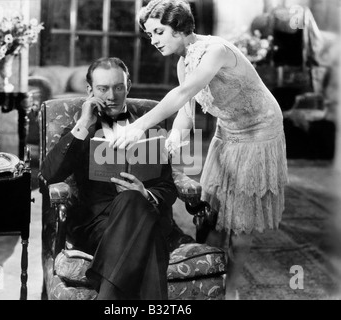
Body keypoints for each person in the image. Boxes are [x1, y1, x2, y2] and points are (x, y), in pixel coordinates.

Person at [111, 0, 289, 300]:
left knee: (242, 222)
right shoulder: (184, 62)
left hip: (260, 131)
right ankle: (211, 281)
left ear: (179, 27)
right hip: (228, 129)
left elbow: (182, 93)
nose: (153, 40)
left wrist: (138, 126)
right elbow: (186, 111)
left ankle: (231, 291)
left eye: (158, 31)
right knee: (212, 214)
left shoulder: (215, 51)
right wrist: (173, 140)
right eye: (149, 33)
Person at [40, 57, 178, 300]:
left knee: (133, 200)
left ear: (128, 87)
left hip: (142, 214)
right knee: (150, 237)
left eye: (118, 87)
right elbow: (50, 174)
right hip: (97, 223)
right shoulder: (81, 128)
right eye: (103, 89)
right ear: (90, 90)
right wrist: (83, 124)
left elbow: (168, 187)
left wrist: (145, 194)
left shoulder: (150, 128)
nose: (111, 95)